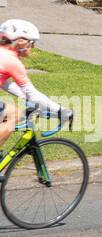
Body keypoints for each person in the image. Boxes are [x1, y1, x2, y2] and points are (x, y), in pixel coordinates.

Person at [0, 19, 69, 148]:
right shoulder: (12, 61)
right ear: (20, 42)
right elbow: (33, 94)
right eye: (32, 43)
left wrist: (25, 97)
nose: (33, 47)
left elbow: (4, 83)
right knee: (14, 114)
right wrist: (61, 111)